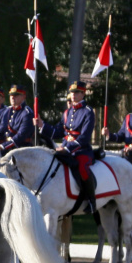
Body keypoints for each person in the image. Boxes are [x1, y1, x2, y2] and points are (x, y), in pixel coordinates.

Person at [35, 81, 96, 213]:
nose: (73, 95)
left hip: (81, 151)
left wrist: (67, 149)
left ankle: (91, 201)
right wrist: (42, 125)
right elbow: (58, 131)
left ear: (83, 94)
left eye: (77, 92)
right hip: (64, 149)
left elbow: (84, 137)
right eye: (72, 92)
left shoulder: (88, 112)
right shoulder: (67, 112)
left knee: (82, 169)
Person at [0, 84, 35, 154]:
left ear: (23, 97)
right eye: (11, 95)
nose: (13, 97)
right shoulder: (7, 111)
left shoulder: (27, 113)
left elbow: (20, 136)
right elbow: (1, 130)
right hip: (8, 148)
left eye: (16, 95)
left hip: (22, 149)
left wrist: (2, 146)